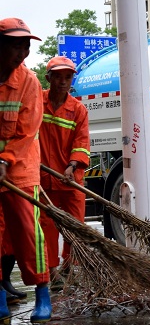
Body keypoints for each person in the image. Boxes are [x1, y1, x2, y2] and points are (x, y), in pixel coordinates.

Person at [0, 17, 52, 322]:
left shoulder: (29, 82)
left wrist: (5, 161)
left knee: (28, 232)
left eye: (26, 46)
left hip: (19, 166)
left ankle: (42, 294)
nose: (22, 52)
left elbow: (27, 130)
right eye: (16, 45)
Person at [38, 56, 90, 291]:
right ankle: (51, 271)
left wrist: (72, 166)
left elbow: (81, 143)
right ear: (48, 78)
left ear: (72, 80)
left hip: (70, 180)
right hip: (42, 179)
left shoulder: (78, 110)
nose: (62, 81)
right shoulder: (37, 102)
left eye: (67, 77)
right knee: (46, 227)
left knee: (74, 226)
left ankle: (69, 268)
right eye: (57, 76)